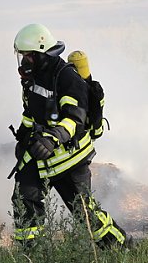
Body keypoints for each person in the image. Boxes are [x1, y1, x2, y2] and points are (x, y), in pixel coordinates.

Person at [9, 23, 129, 247]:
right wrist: (24, 135)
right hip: (41, 155)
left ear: (42, 53)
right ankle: (32, 255)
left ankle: (122, 248)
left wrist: (51, 139)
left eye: (28, 56)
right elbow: (31, 113)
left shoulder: (67, 78)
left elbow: (74, 119)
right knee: (24, 198)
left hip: (69, 156)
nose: (24, 61)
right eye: (22, 56)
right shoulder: (32, 78)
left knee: (85, 214)